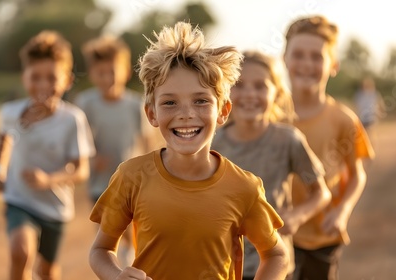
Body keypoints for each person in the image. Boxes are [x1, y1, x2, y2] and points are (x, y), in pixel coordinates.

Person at [88, 21, 289, 280]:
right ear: (152, 114)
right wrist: (116, 275)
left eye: (201, 101)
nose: (186, 115)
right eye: (170, 102)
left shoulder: (244, 188)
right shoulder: (131, 176)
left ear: (223, 111)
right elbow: (101, 249)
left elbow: (276, 255)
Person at [211, 51, 332, 280]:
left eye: (260, 86)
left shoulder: (288, 140)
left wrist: (296, 216)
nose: (249, 94)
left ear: (276, 93)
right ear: (225, 92)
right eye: (240, 85)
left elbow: (321, 193)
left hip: (276, 267)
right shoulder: (213, 144)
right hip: (225, 267)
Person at [0, 30, 95, 280]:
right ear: (24, 77)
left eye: (51, 78)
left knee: (47, 272)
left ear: (67, 80)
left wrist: (49, 180)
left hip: (55, 208)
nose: (43, 85)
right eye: (35, 77)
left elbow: (81, 170)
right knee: (20, 251)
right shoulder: (12, 112)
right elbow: (4, 137)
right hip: (18, 199)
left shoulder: (73, 120)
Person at [282, 15, 375, 280]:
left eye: (317, 57)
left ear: (333, 64)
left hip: (322, 237)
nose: (306, 64)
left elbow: (357, 174)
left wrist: (342, 211)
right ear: (284, 59)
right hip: (274, 232)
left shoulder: (343, 120)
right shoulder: (270, 116)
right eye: (298, 55)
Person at [73, 34, 154, 267]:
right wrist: (91, 156)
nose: (107, 77)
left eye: (112, 71)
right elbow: (79, 138)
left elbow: (146, 140)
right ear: (92, 74)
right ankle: (112, 265)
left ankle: (128, 260)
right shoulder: (86, 102)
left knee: (129, 225)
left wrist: (149, 171)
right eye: (101, 72)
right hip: (100, 180)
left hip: (130, 179)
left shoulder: (135, 104)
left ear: (126, 71)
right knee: (107, 228)